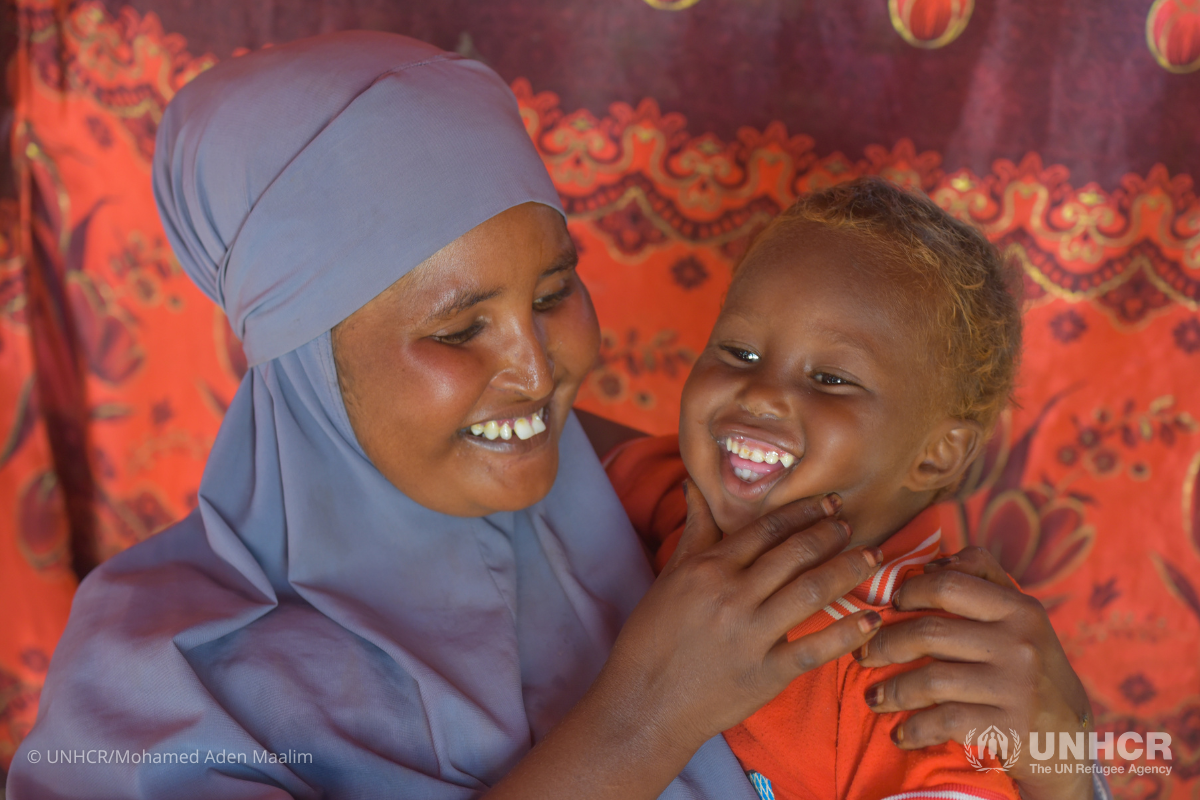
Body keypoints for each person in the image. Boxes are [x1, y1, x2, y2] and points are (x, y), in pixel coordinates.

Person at [5, 32, 887, 800]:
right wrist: (644, 722)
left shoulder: (679, 513)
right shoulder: (157, 683)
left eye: (553, 294)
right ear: (306, 361)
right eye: (460, 328)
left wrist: (1028, 738)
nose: (537, 370)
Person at [605, 178, 1101, 800]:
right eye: (739, 352)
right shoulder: (673, 489)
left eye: (832, 378)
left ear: (936, 455)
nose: (760, 394)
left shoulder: (917, 662)